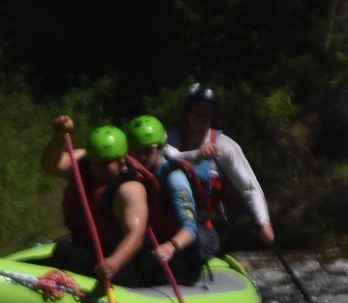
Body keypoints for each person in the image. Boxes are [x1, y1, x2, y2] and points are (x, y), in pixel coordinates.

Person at [40, 116, 167, 290]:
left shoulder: (131, 189)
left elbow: (135, 235)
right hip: (90, 250)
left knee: (116, 271)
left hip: (124, 264)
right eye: (95, 163)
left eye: (106, 164)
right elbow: (51, 165)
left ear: (121, 160)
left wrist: (114, 263)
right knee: (64, 251)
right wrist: (58, 137)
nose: (98, 169)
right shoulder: (85, 162)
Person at [165, 82, 274, 248]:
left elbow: (249, 188)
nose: (200, 117)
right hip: (169, 221)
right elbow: (169, 156)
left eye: (206, 113)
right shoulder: (169, 139)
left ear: (213, 116)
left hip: (206, 226)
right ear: (187, 112)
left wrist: (263, 222)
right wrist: (198, 155)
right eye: (196, 111)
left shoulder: (225, 146)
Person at [125, 113, 216, 279]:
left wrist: (170, 247)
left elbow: (189, 229)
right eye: (135, 151)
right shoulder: (128, 175)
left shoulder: (175, 178)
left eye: (147, 151)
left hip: (180, 252)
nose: (141, 157)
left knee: (145, 269)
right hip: (147, 246)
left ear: (160, 149)